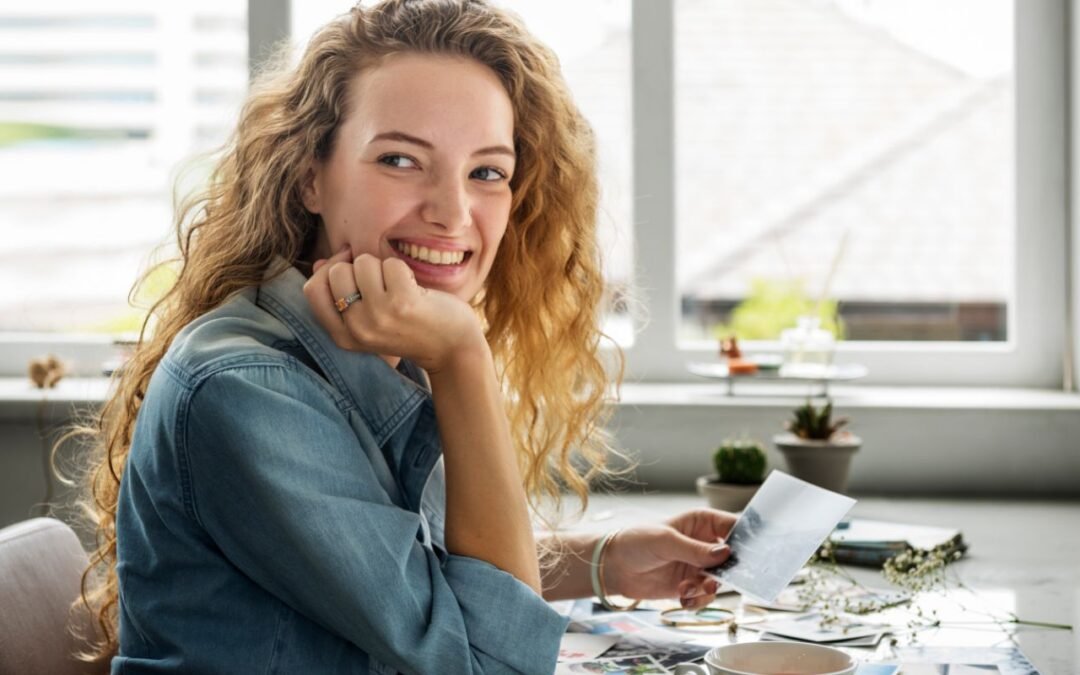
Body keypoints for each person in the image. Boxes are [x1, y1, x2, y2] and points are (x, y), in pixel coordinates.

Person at [77, 1, 735, 672]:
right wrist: (463, 356)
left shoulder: (379, 346)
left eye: (486, 172)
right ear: (309, 177)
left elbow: (411, 570)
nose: (453, 212)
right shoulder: (249, 390)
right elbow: (492, 665)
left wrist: (606, 560)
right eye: (400, 159)